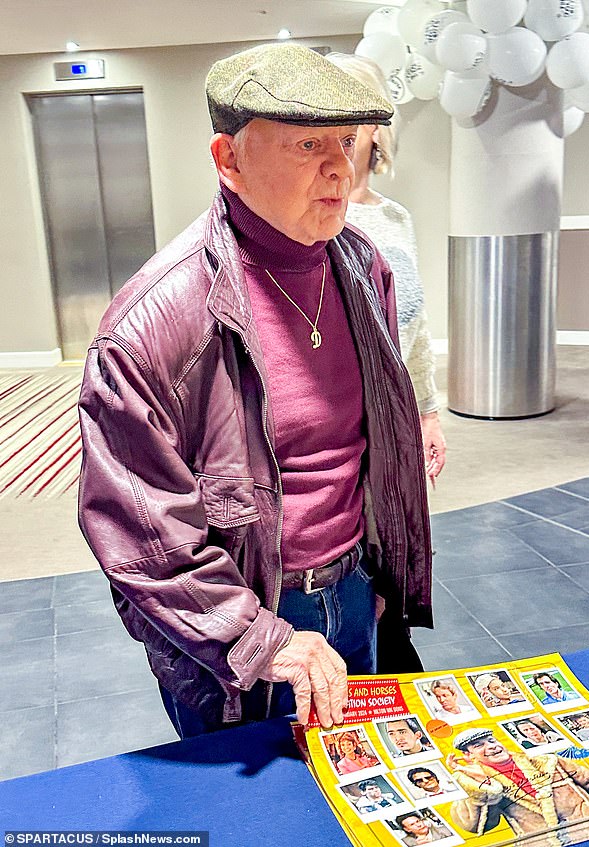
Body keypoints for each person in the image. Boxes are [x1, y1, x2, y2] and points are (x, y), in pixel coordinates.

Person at [77, 43, 433, 737]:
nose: (341, 165)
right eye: (308, 144)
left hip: (356, 591)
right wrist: (264, 639)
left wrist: (376, 577)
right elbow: (141, 535)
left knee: (363, 797)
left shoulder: (364, 268)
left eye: (349, 140)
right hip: (240, 627)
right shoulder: (152, 323)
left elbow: (373, 447)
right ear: (228, 160)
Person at [327, 50, 443, 676]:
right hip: (343, 426)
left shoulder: (395, 218)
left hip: (396, 424)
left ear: (377, 128)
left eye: (351, 123)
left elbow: (415, 329)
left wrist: (427, 412)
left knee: (395, 561)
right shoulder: (310, 219)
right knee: (355, 569)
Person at [446, 728, 589, 842]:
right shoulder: (476, 783)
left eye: (492, 741)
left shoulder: (548, 762)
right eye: (479, 746)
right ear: (469, 756)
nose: (492, 746)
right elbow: (474, 825)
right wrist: (480, 786)